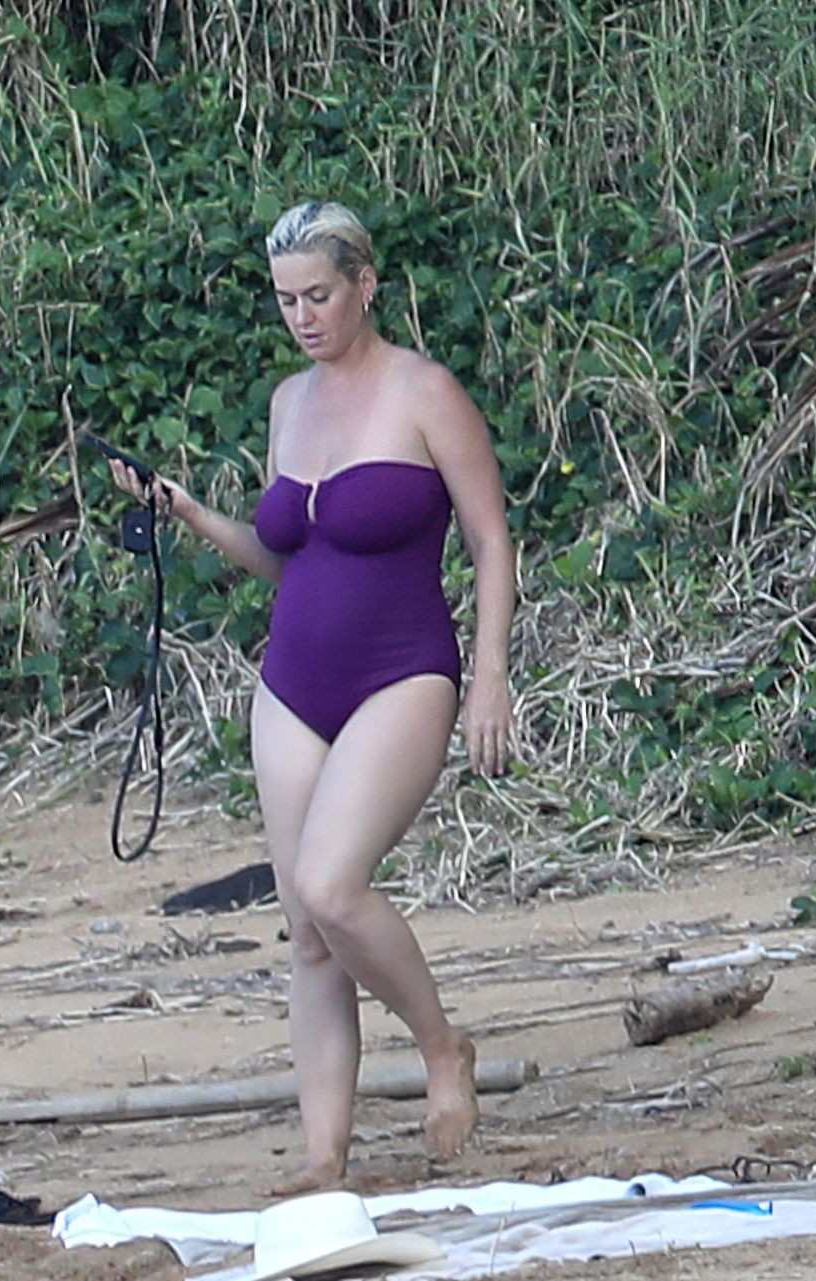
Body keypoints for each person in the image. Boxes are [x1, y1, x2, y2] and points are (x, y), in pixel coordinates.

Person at [105, 199, 517, 1193]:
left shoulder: (423, 390)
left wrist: (491, 675)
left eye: (319, 295)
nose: (303, 317)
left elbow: (491, 540)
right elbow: (287, 559)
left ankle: (442, 1048)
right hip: (293, 682)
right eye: (287, 300)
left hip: (402, 671)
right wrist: (189, 513)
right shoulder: (290, 403)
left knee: (335, 887)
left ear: (364, 285)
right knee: (307, 929)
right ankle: (325, 1158)